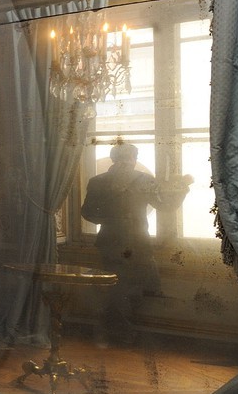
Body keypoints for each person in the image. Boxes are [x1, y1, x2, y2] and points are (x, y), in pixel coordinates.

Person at [80, 143, 187, 343]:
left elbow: (164, 205)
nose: (126, 162)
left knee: (145, 287)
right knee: (118, 289)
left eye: (130, 158)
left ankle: (121, 330)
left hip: (140, 244)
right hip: (111, 244)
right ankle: (122, 333)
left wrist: (180, 189)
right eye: (122, 158)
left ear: (135, 160)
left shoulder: (144, 180)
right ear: (114, 160)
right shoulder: (98, 182)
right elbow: (87, 212)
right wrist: (112, 218)